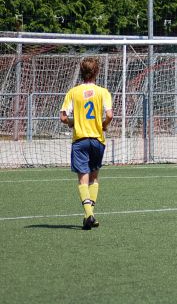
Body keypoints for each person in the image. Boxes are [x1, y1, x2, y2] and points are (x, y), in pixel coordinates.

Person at [60, 57, 113, 230]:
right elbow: (110, 115)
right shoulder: (103, 92)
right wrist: (103, 125)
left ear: (81, 72)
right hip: (97, 139)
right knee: (94, 178)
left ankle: (88, 214)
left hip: (80, 140)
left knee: (83, 179)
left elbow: (63, 117)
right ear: (97, 72)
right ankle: (89, 216)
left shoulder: (73, 92)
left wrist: (72, 123)